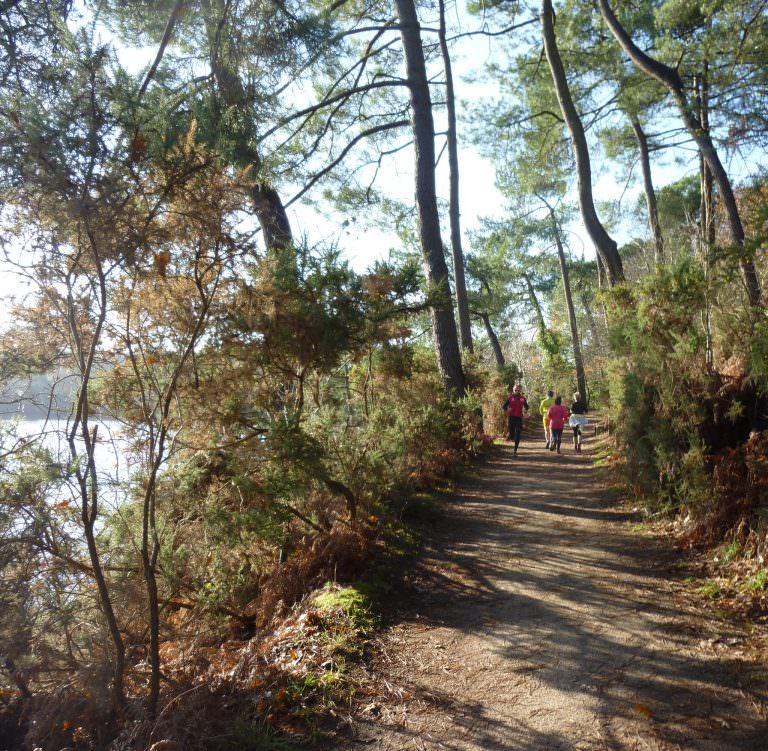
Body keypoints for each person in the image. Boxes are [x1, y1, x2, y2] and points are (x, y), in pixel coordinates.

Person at [503, 383, 529, 457]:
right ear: (513, 390)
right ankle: (511, 437)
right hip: (511, 418)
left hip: (519, 418)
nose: (517, 391)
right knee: (512, 435)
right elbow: (504, 406)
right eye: (515, 390)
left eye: (518, 390)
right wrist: (507, 410)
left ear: (520, 390)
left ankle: (515, 451)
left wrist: (525, 411)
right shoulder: (510, 398)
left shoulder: (522, 398)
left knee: (518, 434)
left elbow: (527, 406)